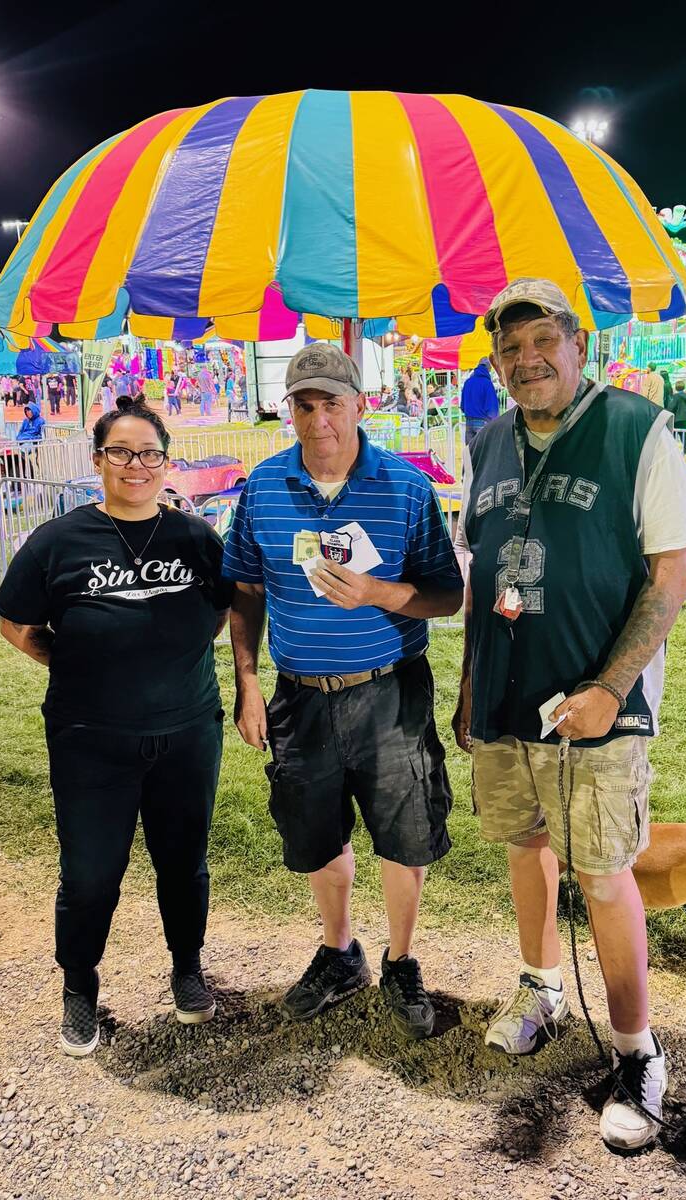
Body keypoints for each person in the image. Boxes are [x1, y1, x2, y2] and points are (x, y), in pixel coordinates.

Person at [453, 278, 686, 1152]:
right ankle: (541, 987)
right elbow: (483, 567)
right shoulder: (488, 439)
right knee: (525, 845)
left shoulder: (635, 428)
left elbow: (672, 569)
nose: (526, 360)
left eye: (543, 342)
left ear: (577, 345)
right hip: (505, 698)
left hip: (597, 708)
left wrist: (610, 687)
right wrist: (469, 686)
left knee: (602, 873)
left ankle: (637, 1052)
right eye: (509, 348)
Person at [224, 344, 463, 1040]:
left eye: (332, 402)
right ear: (288, 410)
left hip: (389, 692)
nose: (319, 418)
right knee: (315, 831)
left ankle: (401, 959)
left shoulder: (406, 487)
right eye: (304, 404)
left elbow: (447, 596)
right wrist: (247, 683)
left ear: (360, 404)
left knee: (404, 832)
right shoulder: (263, 487)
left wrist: (377, 593)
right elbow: (245, 590)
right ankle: (339, 952)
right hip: (299, 696)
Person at [0, 397, 233, 1056]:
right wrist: (75, 662)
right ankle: (79, 986)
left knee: (183, 862)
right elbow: (17, 625)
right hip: (90, 740)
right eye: (121, 452)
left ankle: (187, 967)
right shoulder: (58, 541)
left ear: (166, 463)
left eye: (149, 453)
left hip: (187, 732)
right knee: (90, 873)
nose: (136, 465)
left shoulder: (196, 539)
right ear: (99, 460)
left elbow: (219, 614)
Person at [460, 357, 500, 446]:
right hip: (483, 422)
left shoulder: (468, 382)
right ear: (488, 368)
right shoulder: (487, 383)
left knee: (471, 452)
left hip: (469, 421)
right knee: (484, 451)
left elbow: (462, 405)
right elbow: (492, 407)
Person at [669, 381, 686, 453]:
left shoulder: (675, 396)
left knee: (673, 434)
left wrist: (667, 410)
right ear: (684, 387)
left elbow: (672, 407)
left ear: (676, 388)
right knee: (684, 434)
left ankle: (672, 450)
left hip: (678, 418)